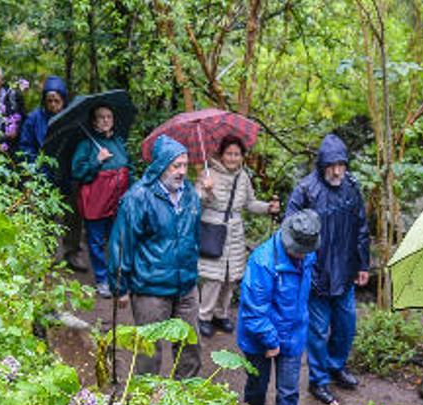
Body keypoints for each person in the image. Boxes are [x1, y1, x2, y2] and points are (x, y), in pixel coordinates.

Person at [108, 135, 213, 378]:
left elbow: (192, 236)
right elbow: (122, 243)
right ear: (161, 165)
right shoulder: (138, 197)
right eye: (176, 165)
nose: (182, 171)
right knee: (148, 355)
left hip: (185, 286)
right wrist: (120, 286)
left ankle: (182, 401)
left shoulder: (189, 194)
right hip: (150, 289)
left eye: (185, 165)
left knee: (190, 349)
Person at [285, 133, 370, 405]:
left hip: (345, 271)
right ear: (321, 165)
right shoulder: (306, 190)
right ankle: (318, 381)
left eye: (341, 165)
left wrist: (363, 264)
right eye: (331, 165)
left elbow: (361, 228)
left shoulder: (351, 188)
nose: (336, 171)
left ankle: (336, 366)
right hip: (317, 273)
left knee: (346, 325)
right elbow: (289, 229)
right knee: (319, 330)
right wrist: (298, 267)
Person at [236, 210, 321, 405]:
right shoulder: (263, 261)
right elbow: (254, 311)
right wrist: (272, 341)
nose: (303, 255)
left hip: (294, 332)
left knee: (289, 391)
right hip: (261, 336)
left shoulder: (307, 252)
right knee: (257, 386)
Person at [197, 135, 281, 337]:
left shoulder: (243, 177)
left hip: (235, 231)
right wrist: (206, 190)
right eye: (229, 154)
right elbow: (195, 198)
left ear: (242, 156)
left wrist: (267, 208)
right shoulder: (208, 173)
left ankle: (221, 314)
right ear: (221, 154)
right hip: (213, 227)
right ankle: (204, 316)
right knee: (213, 277)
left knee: (231, 277)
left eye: (237, 154)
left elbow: (250, 203)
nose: (233, 158)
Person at [18, 76, 86, 272]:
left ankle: (72, 253)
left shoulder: (73, 118)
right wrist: (35, 168)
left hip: (68, 174)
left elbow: (81, 145)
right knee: (45, 216)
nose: (53, 104)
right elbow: (26, 146)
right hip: (45, 173)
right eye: (50, 100)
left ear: (64, 99)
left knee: (73, 216)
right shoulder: (34, 119)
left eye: (57, 100)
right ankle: (48, 254)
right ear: (44, 101)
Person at [70, 105, 132, 298]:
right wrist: (97, 160)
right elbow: (77, 172)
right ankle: (102, 279)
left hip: (118, 200)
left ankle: (118, 277)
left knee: (119, 239)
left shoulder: (118, 141)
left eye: (109, 117)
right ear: (94, 121)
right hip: (96, 201)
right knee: (96, 241)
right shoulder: (86, 145)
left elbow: (128, 166)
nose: (106, 120)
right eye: (101, 117)